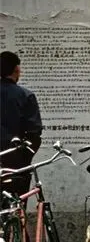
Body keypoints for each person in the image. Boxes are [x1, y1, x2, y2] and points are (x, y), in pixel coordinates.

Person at [0, 51, 43, 196]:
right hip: (16, 162)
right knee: (17, 202)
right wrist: (24, 157)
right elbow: (34, 132)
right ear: (16, 69)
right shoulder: (25, 95)